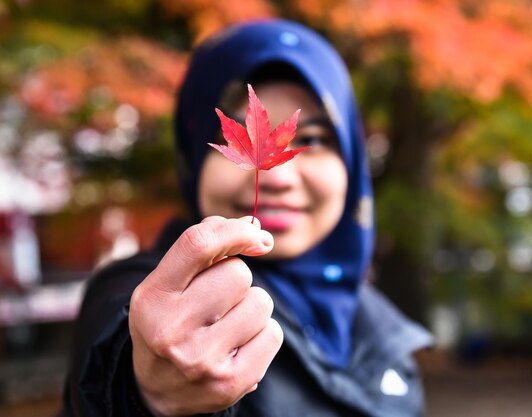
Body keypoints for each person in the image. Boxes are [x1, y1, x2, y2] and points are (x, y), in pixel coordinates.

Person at [61, 19, 432, 417]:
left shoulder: (378, 324)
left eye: (314, 139)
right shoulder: (144, 288)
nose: (277, 177)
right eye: (231, 134)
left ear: (352, 163)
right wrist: (146, 392)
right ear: (192, 158)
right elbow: (115, 348)